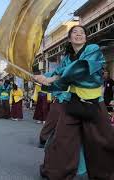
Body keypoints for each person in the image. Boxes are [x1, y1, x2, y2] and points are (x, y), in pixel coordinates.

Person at [34, 25, 114, 180]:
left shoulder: (92, 49)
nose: (79, 34)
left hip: (94, 104)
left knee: (103, 141)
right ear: (69, 39)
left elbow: (80, 69)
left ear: (85, 38)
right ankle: (57, 173)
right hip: (73, 104)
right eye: (74, 33)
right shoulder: (67, 59)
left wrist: (52, 78)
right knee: (62, 140)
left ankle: (105, 175)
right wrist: (42, 77)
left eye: (82, 33)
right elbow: (59, 76)